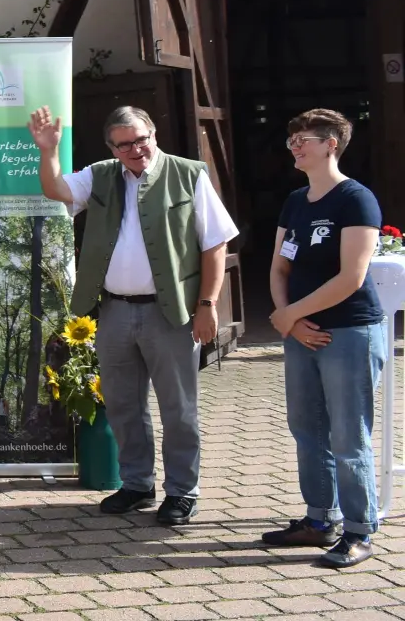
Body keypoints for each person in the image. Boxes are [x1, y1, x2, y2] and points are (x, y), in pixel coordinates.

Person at [31, 105, 237, 525]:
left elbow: (215, 245)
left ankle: (182, 491)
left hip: (172, 312)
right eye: (124, 144)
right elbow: (56, 190)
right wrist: (48, 149)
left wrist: (208, 305)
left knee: (178, 409)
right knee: (123, 405)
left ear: (153, 133)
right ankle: (138, 484)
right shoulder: (102, 173)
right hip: (114, 310)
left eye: (141, 139)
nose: (135, 149)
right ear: (112, 147)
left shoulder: (188, 173)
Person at [261, 109, 387, 568]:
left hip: (348, 332)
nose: (295, 145)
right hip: (301, 332)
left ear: (332, 143)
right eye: (291, 137)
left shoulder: (356, 199)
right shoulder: (296, 201)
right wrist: (289, 322)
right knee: (307, 429)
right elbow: (279, 266)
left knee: (347, 434)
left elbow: (351, 276)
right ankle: (319, 521)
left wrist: (292, 314)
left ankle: (359, 531)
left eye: (305, 138)